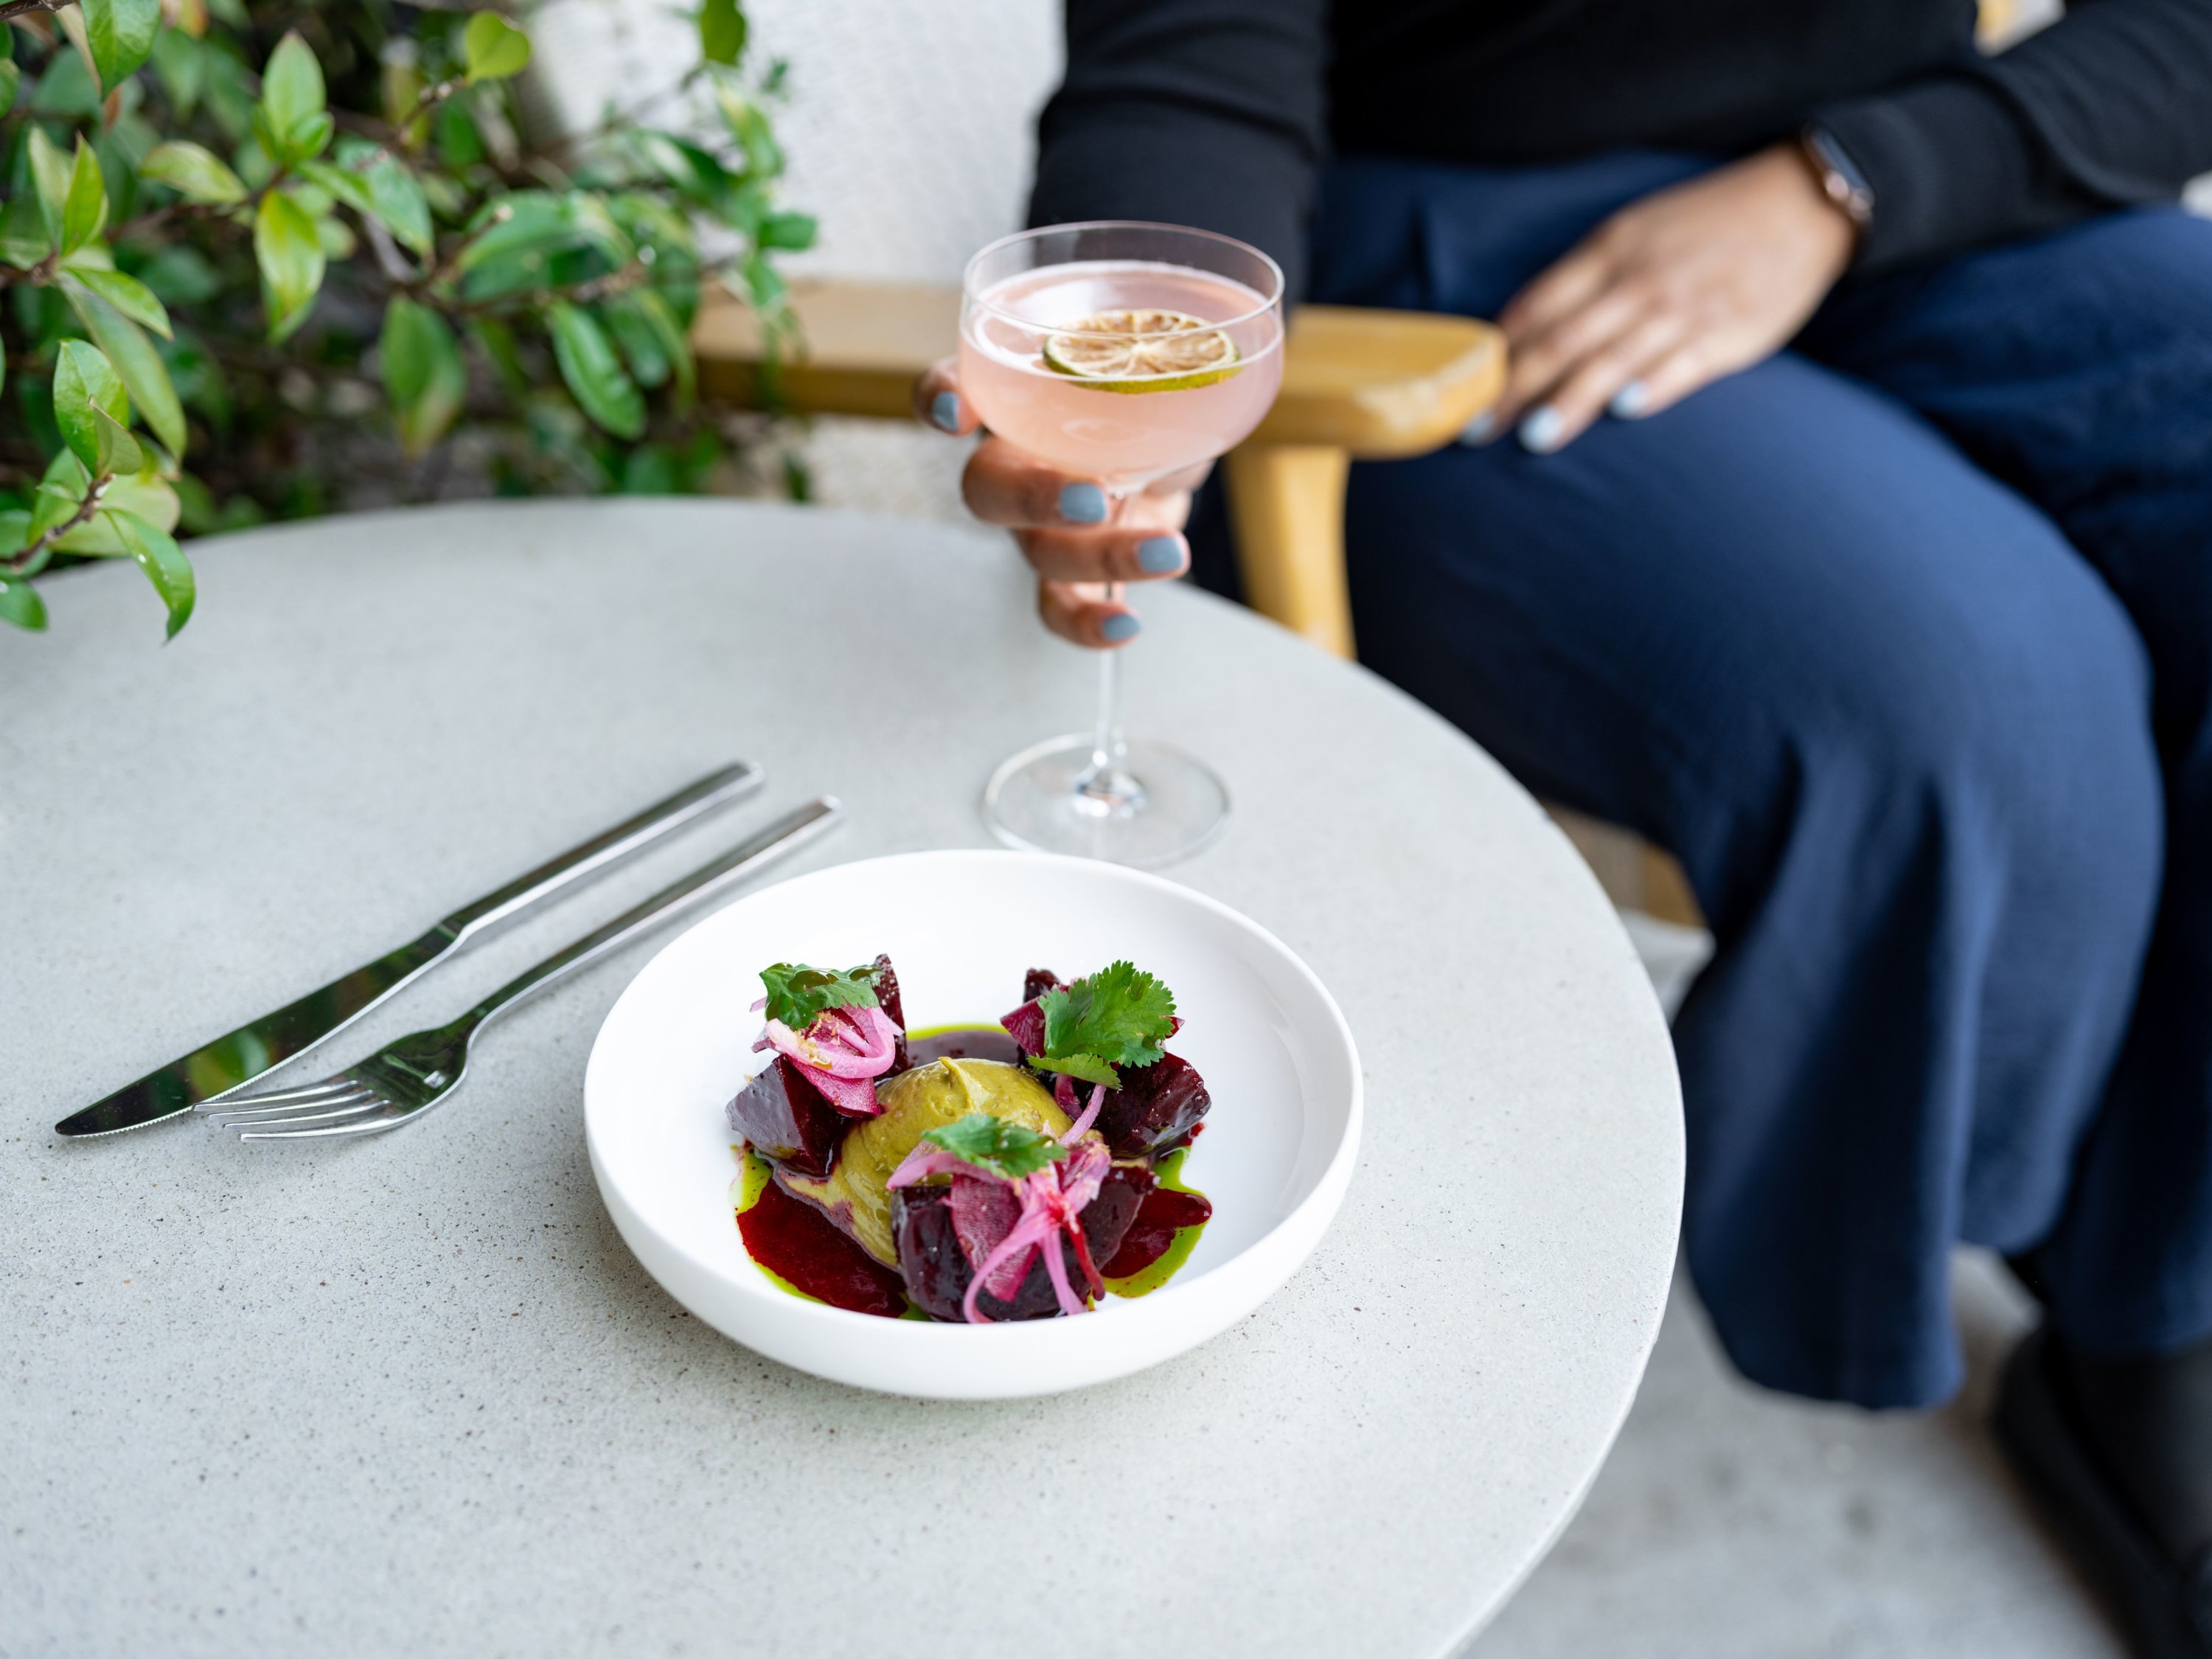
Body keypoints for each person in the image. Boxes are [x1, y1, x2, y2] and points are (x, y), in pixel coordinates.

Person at [914, 1, 2212, 1652]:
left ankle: (2151, 1302)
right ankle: (2011, 1247)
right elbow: (1195, 52)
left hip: (1940, 164)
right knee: (1983, 703)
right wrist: (1143, 369)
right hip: (1461, 237)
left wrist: (1850, 185)